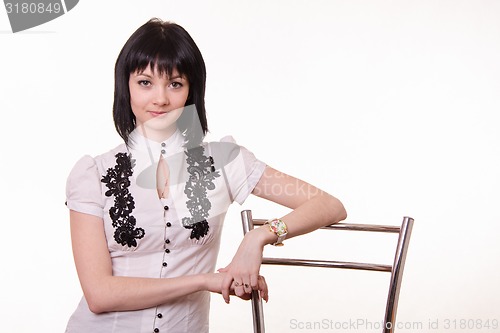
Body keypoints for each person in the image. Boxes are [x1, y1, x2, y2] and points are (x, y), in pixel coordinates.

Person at [65, 18, 347, 333]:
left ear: (191, 91)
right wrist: (206, 280)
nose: (160, 98)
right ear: (125, 86)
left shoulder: (225, 162)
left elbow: (328, 205)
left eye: (175, 83)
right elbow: (100, 295)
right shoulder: (93, 174)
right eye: (145, 82)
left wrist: (259, 237)